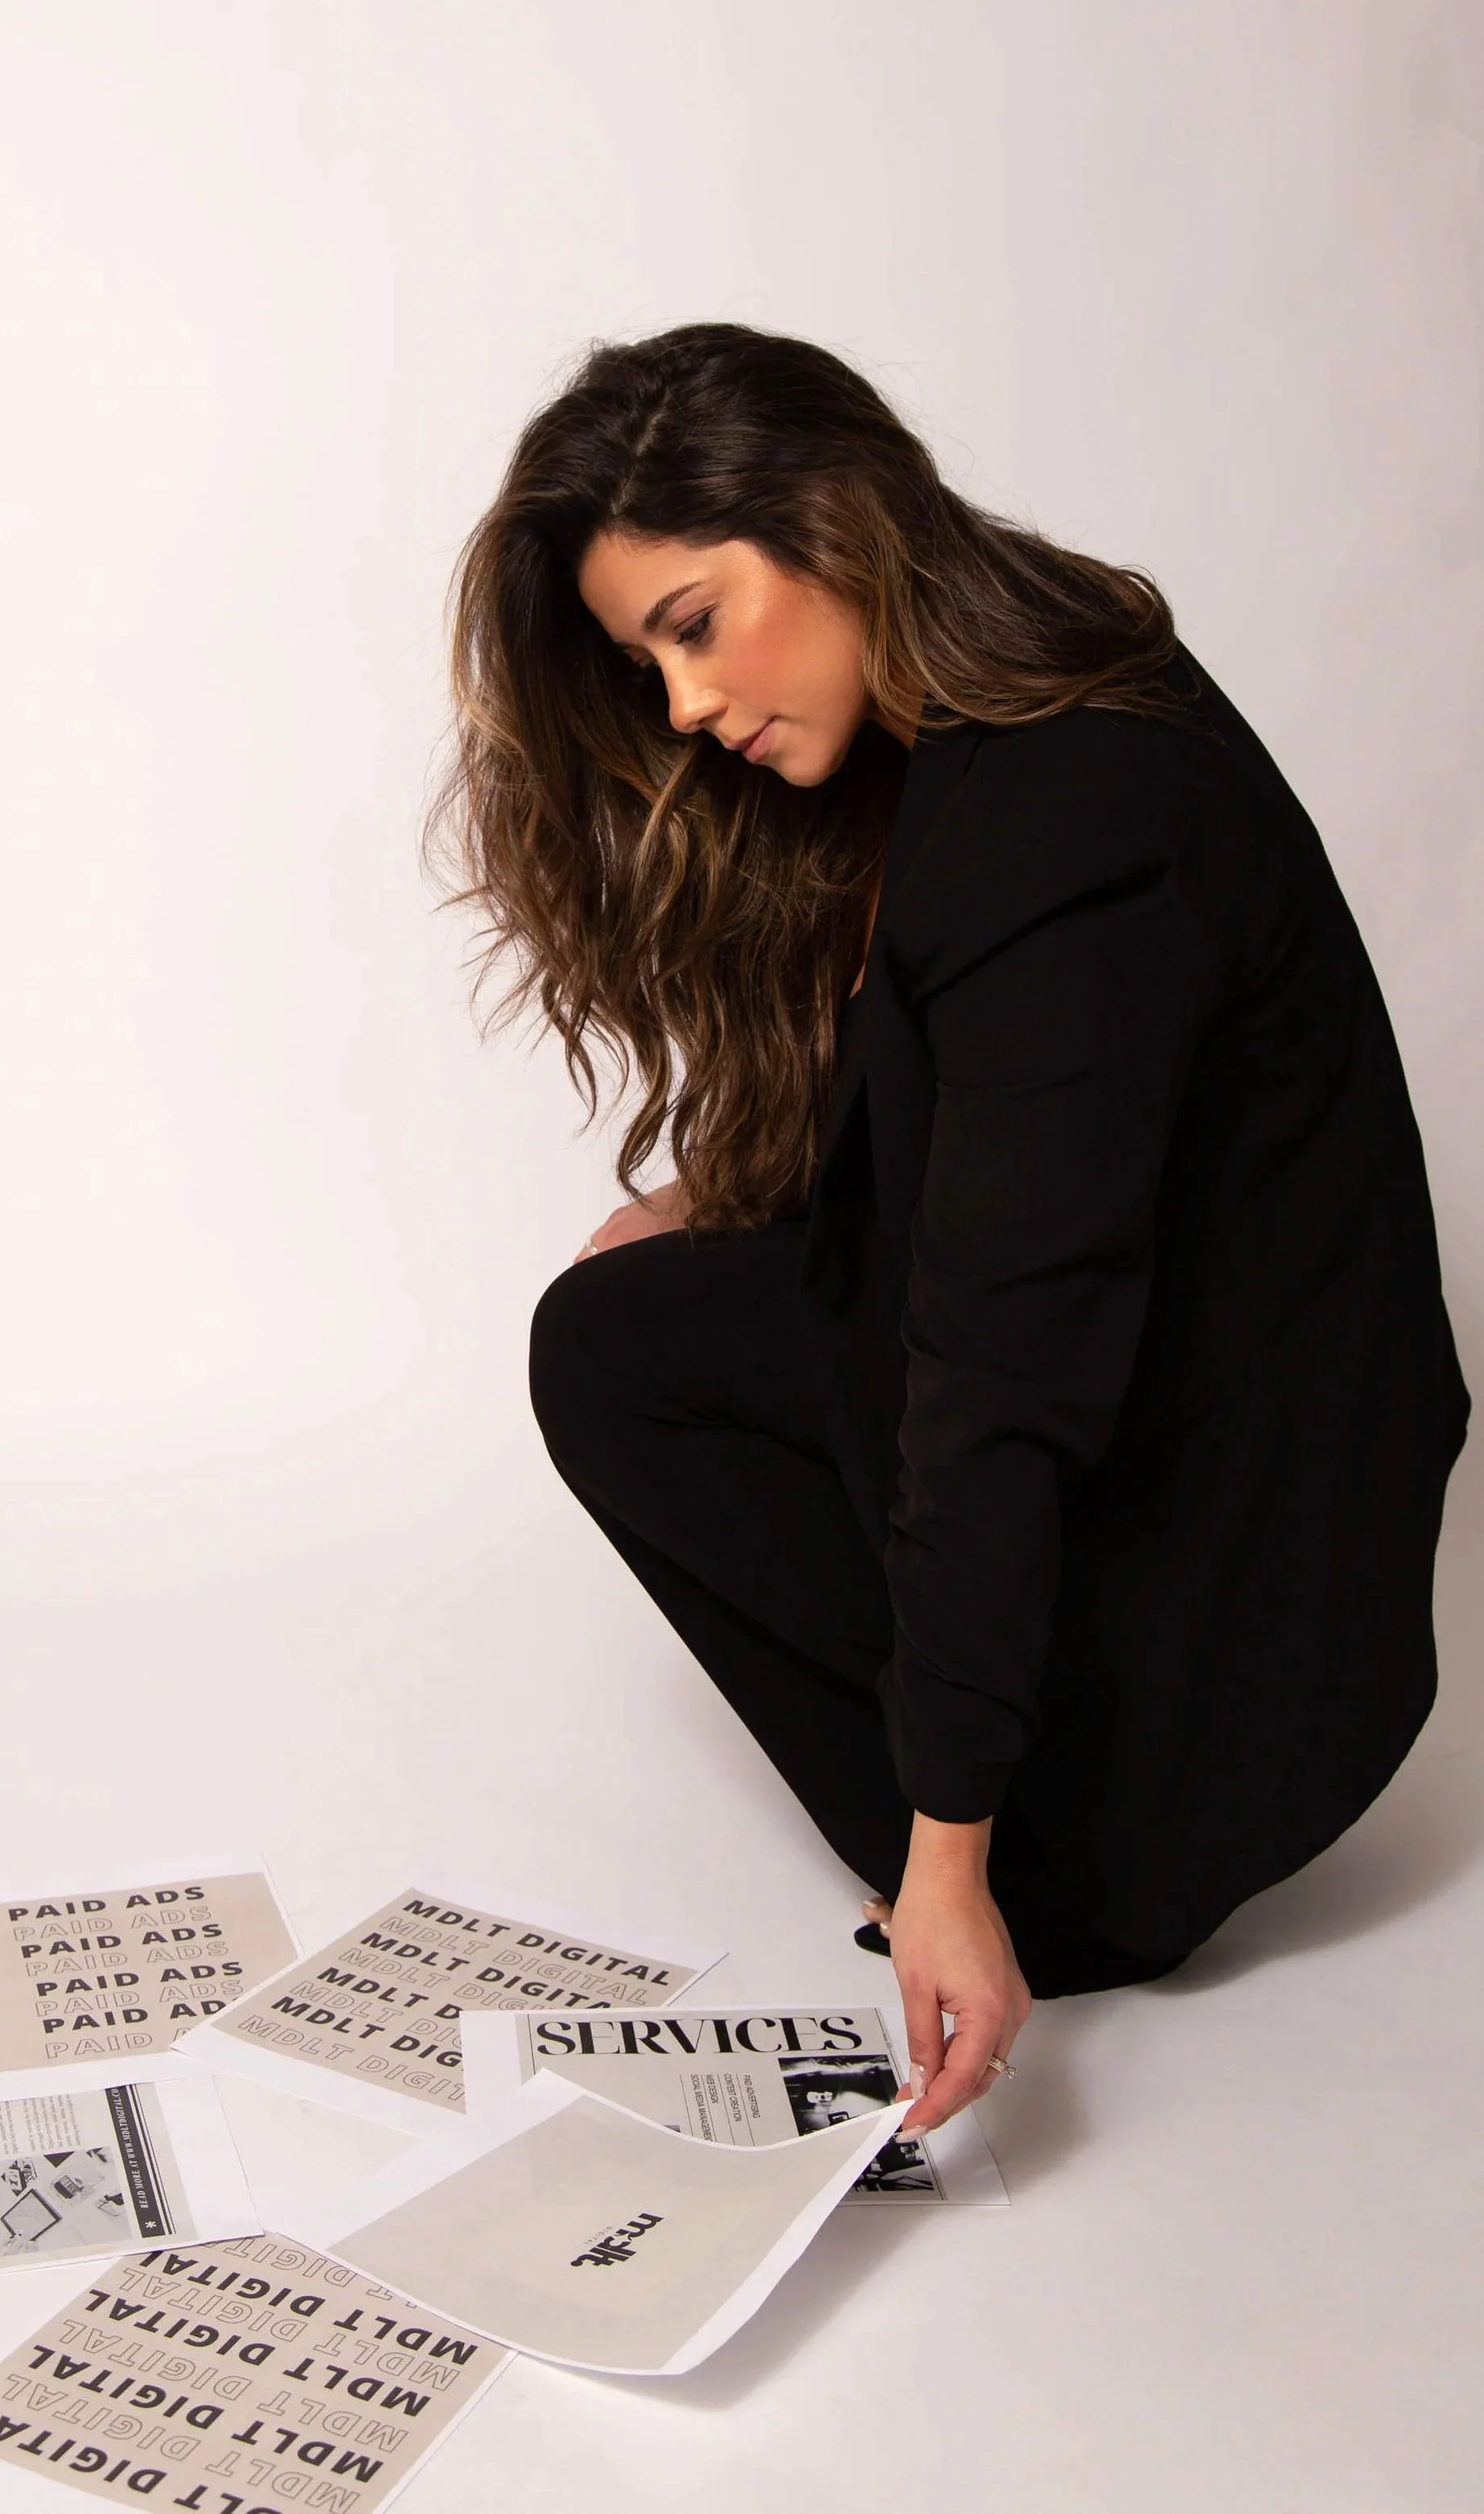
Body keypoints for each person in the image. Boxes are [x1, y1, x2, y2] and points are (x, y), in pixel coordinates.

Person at [435, 323, 1468, 2138]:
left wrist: (946, 1861)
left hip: (1232, 1652)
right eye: (639, 657)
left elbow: (1003, 1369)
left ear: (826, 521)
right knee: (617, 1328)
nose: (678, 705)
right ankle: (995, 1794)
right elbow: (994, 1140)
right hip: (1186, 1453)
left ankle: (1034, 1871)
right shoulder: (1030, 694)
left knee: (688, 1360)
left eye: (691, 621)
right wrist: (722, 1217)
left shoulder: (1067, 825)